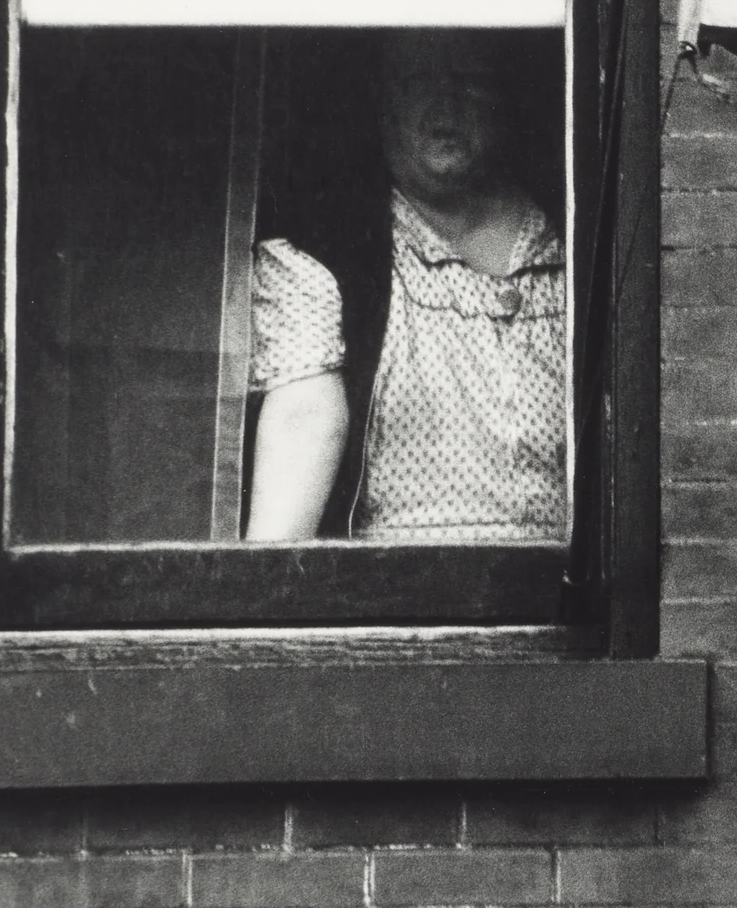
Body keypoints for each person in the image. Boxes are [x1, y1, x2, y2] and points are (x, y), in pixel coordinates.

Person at [242, 31, 567, 542]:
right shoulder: (328, 258)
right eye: (418, 79)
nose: (445, 101)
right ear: (382, 99)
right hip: (399, 604)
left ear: (504, 99)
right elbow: (302, 422)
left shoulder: (575, 250)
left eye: (470, 81)